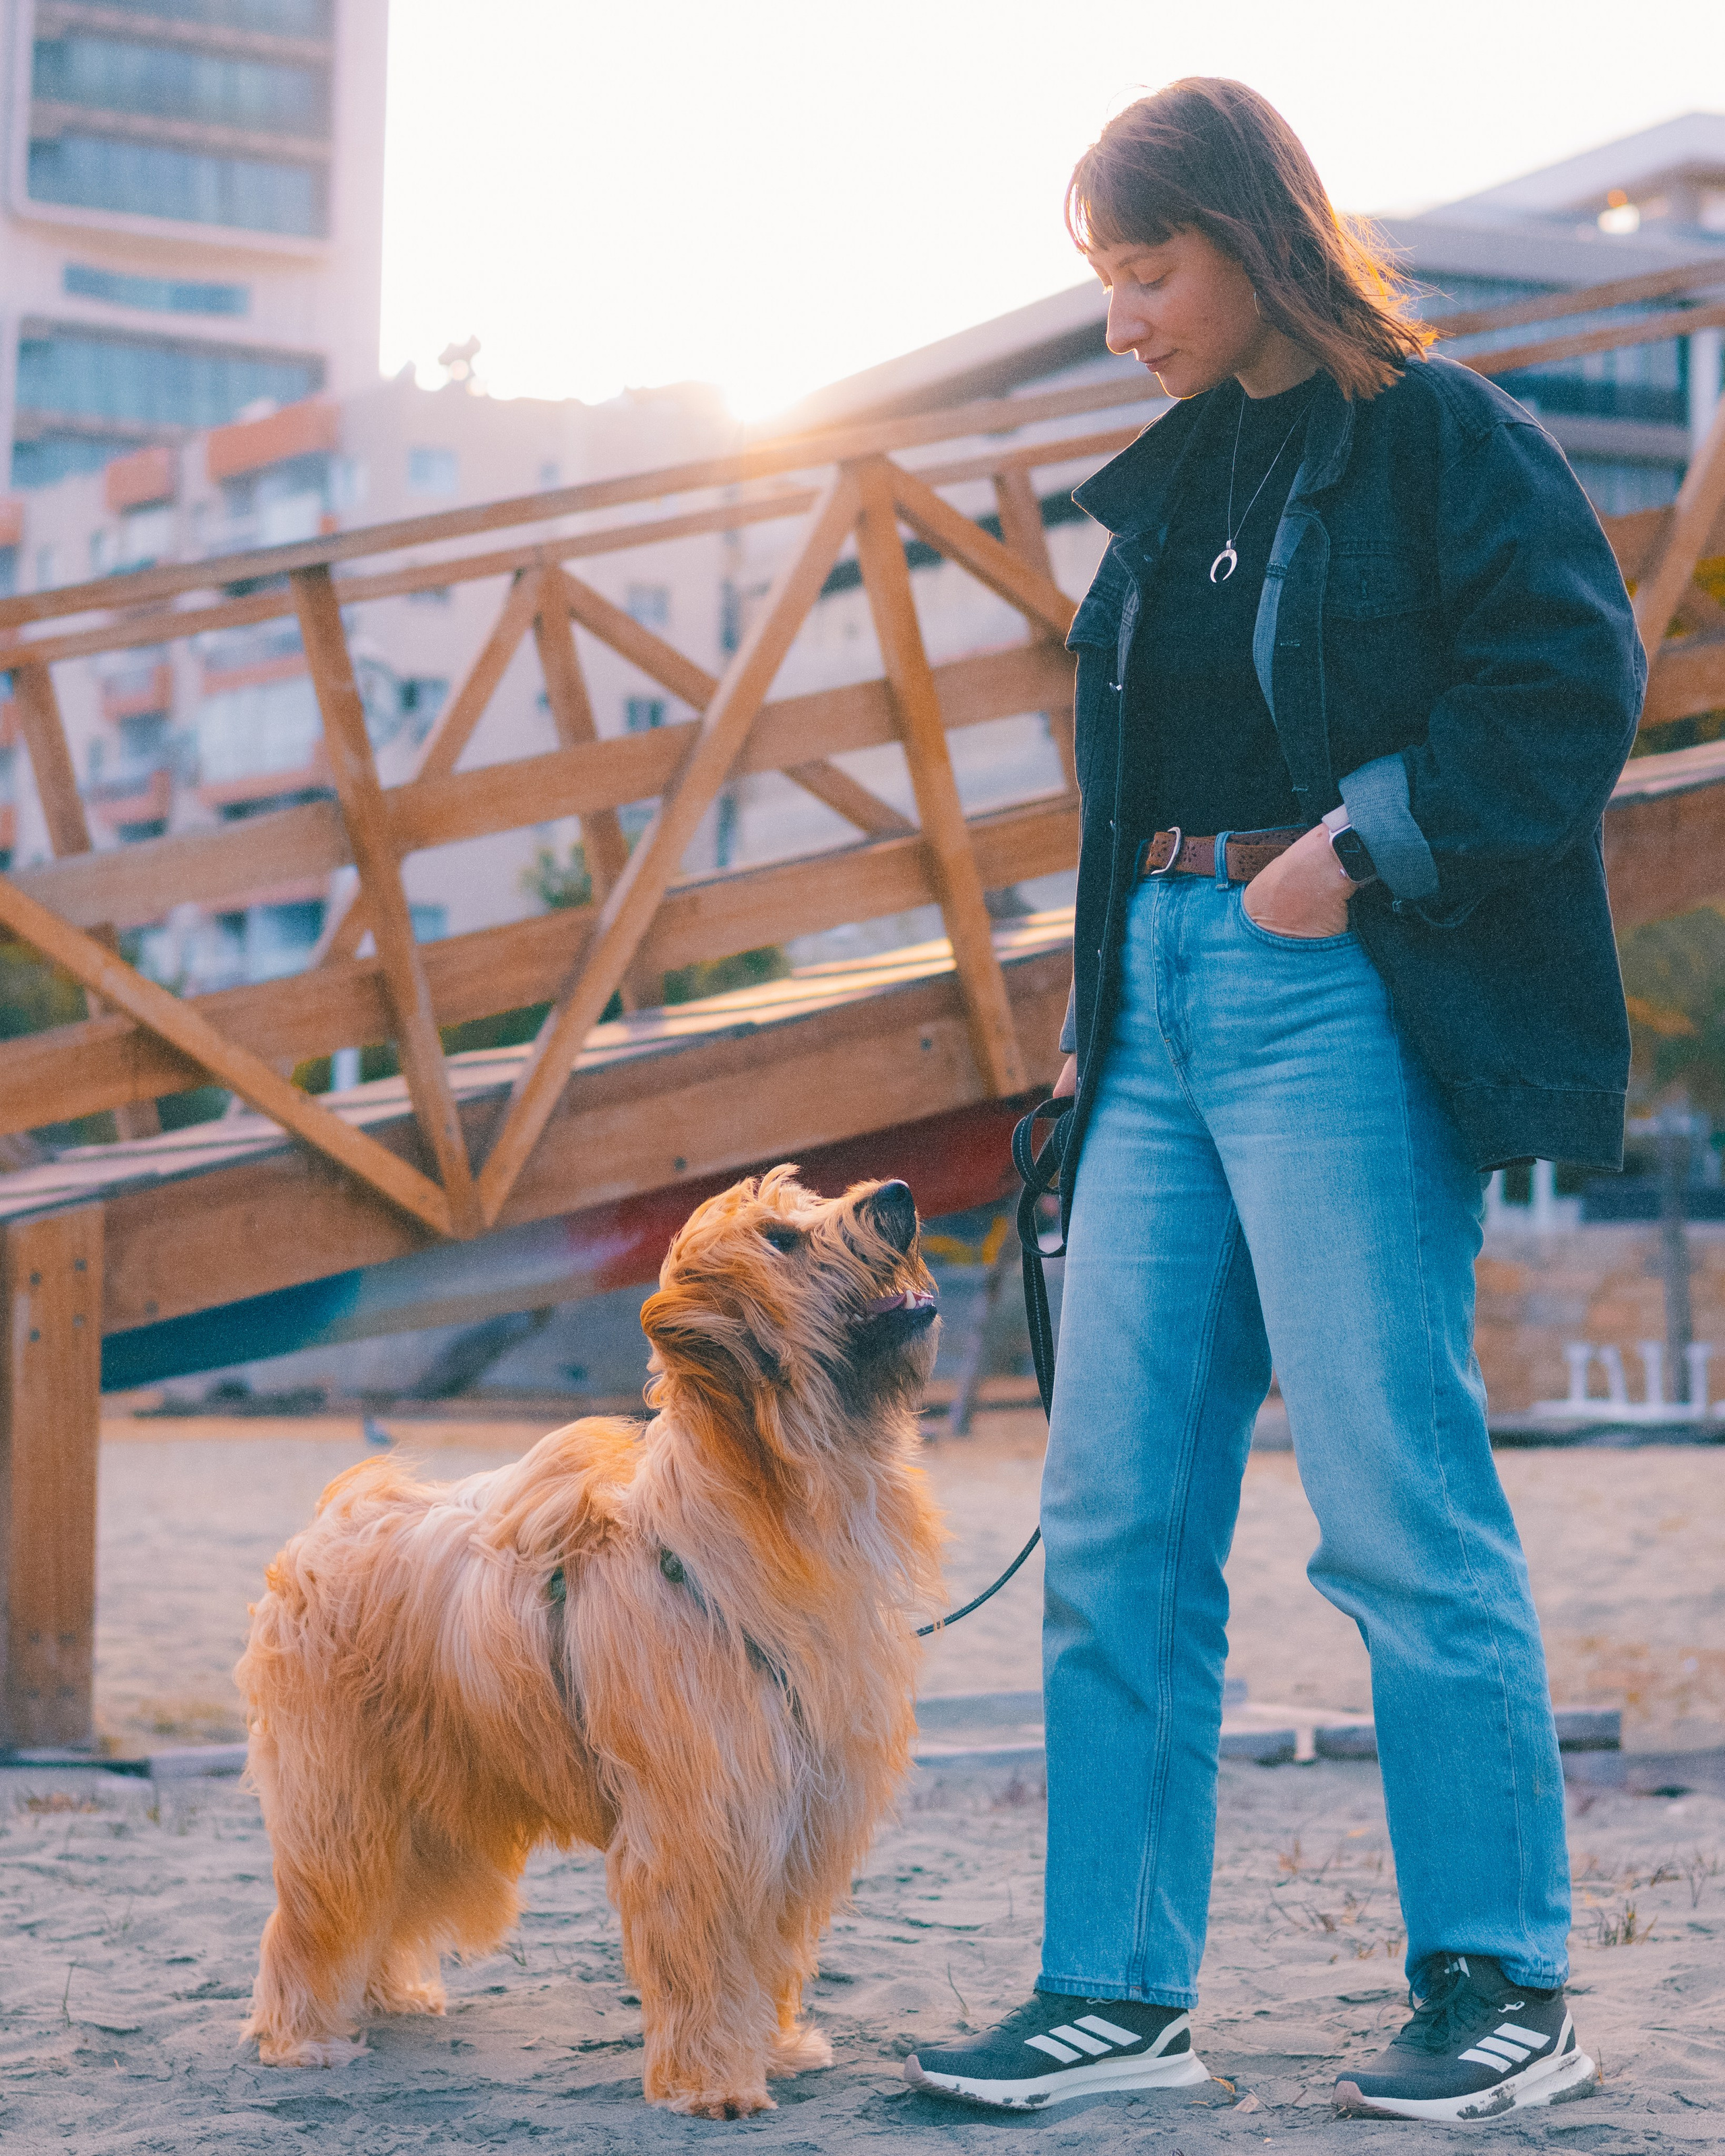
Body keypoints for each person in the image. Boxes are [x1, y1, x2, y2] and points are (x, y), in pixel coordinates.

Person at [904, 79, 1644, 2124]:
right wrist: (1098, 1005)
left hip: (1336, 994)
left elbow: (1570, 685)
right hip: (1154, 1008)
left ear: (1253, 238)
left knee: (1396, 1505)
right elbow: (1127, 774)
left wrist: (1365, 841)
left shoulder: (1436, 436)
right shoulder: (1175, 485)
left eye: (1149, 270)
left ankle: (1500, 1985)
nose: (1122, 316)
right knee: (1115, 1517)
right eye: (1106, 279)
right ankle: (1114, 1993)